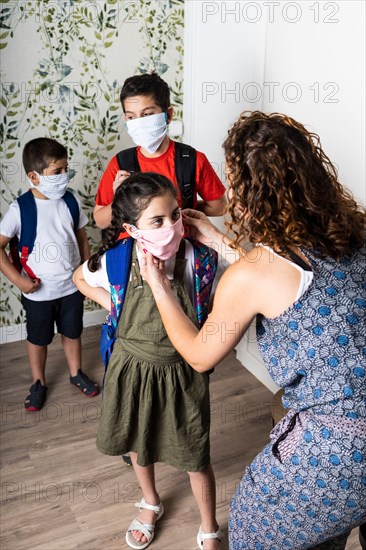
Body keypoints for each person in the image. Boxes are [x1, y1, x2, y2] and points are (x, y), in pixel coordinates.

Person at [140, 112, 366, 549]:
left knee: (250, 529)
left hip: (342, 449)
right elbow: (282, 274)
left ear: (249, 193)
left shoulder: (252, 274)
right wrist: (224, 244)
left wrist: (159, 288)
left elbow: (200, 355)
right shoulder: (354, 231)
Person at [73, 172, 222, 550]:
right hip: (132, 368)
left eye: (174, 215)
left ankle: (209, 527)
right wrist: (111, 305)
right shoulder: (118, 260)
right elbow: (79, 277)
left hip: (182, 371)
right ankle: (150, 502)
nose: (170, 226)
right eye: (157, 221)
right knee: (138, 442)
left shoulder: (199, 260)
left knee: (195, 453)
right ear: (131, 228)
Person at [0, 137, 99, 411]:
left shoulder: (71, 201)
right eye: (57, 171)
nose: (64, 176)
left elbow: (82, 239)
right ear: (34, 176)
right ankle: (38, 382)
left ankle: (76, 373)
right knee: (38, 338)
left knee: (72, 333)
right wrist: (19, 280)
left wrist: (87, 270)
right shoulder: (19, 209)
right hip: (37, 293)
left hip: (71, 288)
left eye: (66, 169)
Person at [93, 72, 227, 232]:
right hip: (134, 252)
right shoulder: (120, 163)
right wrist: (119, 197)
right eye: (131, 117)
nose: (139, 122)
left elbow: (220, 207)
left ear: (168, 115)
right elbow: (100, 221)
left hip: (180, 248)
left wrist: (176, 209)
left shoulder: (192, 160)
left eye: (147, 114)